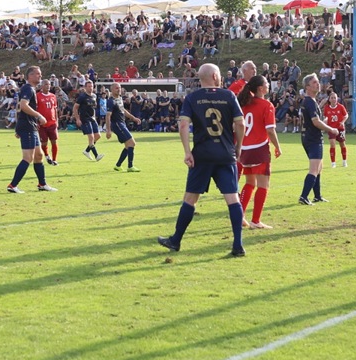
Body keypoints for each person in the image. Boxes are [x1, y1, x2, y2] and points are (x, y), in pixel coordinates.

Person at [157, 63, 246, 257]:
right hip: (225, 154)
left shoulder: (192, 98)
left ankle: (176, 240)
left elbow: (183, 126)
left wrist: (187, 152)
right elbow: (240, 124)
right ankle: (238, 244)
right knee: (232, 199)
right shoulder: (229, 96)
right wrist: (237, 148)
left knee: (191, 198)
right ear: (215, 76)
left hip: (202, 155)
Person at [236, 74, 281, 229]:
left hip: (245, 150)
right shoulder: (266, 105)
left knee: (249, 183)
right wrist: (277, 146)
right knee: (263, 185)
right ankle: (256, 220)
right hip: (259, 149)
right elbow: (270, 130)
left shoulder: (244, 103)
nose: (269, 85)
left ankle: (239, 215)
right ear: (261, 88)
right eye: (267, 83)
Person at [6, 65, 58, 193]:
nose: (40, 76)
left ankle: (42, 184)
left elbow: (20, 109)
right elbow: (23, 106)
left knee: (39, 155)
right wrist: (39, 115)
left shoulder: (30, 89)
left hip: (31, 126)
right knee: (28, 158)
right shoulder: (28, 89)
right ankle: (13, 185)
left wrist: (18, 128)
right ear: (30, 76)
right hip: (28, 127)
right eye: (37, 74)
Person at [297, 73, 339, 205]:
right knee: (314, 169)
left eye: (317, 82)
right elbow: (315, 122)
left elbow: (313, 120)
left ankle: (317, 195)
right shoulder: (309, 101)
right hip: (313, 138)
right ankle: (304, 197)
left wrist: (323, 121)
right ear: (308, 87)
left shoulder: (311, 101)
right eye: (314, 82)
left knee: (319, 168)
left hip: (308, 137)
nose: (318, 84)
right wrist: (331, 129)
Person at [104, 81, 142, 171]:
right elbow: (108, 116)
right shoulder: (111, 101)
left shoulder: (120, 98)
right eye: (117, 88)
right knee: (132, 143)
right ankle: (130, 166)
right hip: (117, 124)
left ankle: (118, 165)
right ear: (112, 89)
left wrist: (133, 118)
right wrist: (108, 130)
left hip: (122, 123)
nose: (119, 89)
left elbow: (123, 110)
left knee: (127, 146)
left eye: (120, 88)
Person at [74, 80, 103, 161]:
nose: (91, 88)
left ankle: (87, 151)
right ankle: (96, 155)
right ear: (85, 87)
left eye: (92, 86)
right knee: (91, 137)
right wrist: (77, 119)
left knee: (98, 136)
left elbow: (93, 107)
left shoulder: (94, 96)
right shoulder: (82, 97)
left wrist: (95, 116)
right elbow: (75, 108)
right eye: (89, 86)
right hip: (85, 119)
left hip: (92, 118)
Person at [35, 78, 61, 165]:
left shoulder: (53, 96)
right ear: (42, 86)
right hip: (42, 124)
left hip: (52, 123)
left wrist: (56, 120)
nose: (48, 86)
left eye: (49, 84)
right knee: (44, 142)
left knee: (54, 141)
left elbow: (55, 109)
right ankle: (46, 155)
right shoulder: (37, 96)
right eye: (46, 84)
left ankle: (54, 159)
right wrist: (37, 120)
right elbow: (35, 109)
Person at [323, 90, 349, 167]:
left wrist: (343, 121)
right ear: (329, 99)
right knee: (332, 144)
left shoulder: (341, 107)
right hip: (331, 129)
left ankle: (344, 161)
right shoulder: (327, 108)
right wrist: (325, 121)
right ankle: (333, 163)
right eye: (332, 98)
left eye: (335, 98)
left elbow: (346, 115)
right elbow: (326, 117)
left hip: (340, 128)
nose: (334, 99)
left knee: (342, 144)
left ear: (337, 99)